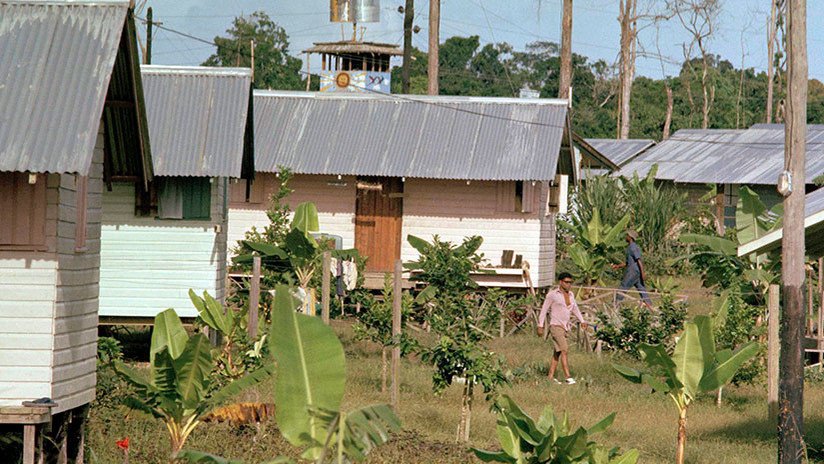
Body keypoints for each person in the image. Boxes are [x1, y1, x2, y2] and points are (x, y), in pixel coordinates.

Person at [537, 272, 586, 385]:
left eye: (570, 282)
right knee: (564, 349)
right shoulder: (553, 295)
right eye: (566, 282)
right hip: (555, 326)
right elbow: (544, 310)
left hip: (565, 327)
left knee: (557, 352)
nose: (569, 284)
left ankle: (550, 376)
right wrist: (540, 325)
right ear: (561, 282)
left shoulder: (571, 295)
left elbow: (575, 308)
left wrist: (582, 320)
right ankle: (568, 377)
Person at [612, 229, 653, 309]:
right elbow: (627, 263)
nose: (626, 237)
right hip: (636, 272)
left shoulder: (633, 247)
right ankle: (650, 307)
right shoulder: (631, 247)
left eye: (627, 235)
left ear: (630, 237)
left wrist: (643, 273)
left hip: (633, 272)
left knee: (623, 287)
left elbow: (639, 261)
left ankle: (615, 305)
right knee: (641, 289)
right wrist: (617, 266)